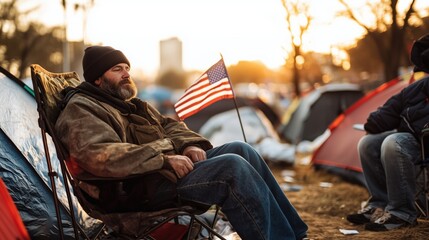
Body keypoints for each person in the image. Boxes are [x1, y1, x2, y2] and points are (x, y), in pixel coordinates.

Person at [54, 45, 308, 239]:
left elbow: (169, 125)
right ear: (97, 78)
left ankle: (295, 234)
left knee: (243, 150)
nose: (126, 74)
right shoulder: (82, 108)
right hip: (132, 190)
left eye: (127, 68)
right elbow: (99, 155)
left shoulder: (128, 105)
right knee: (232, 168)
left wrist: (188, 145)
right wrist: (163, 158)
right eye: (117, 69)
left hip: (160, 175)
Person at [346, 34, 429, 231]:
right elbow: (384, 114)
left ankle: (402, 213)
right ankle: (379, 205)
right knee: (368, 143)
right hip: (418, 142)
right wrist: (372, 124)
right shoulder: (416, 89)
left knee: (394, 142)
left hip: (424, 141)